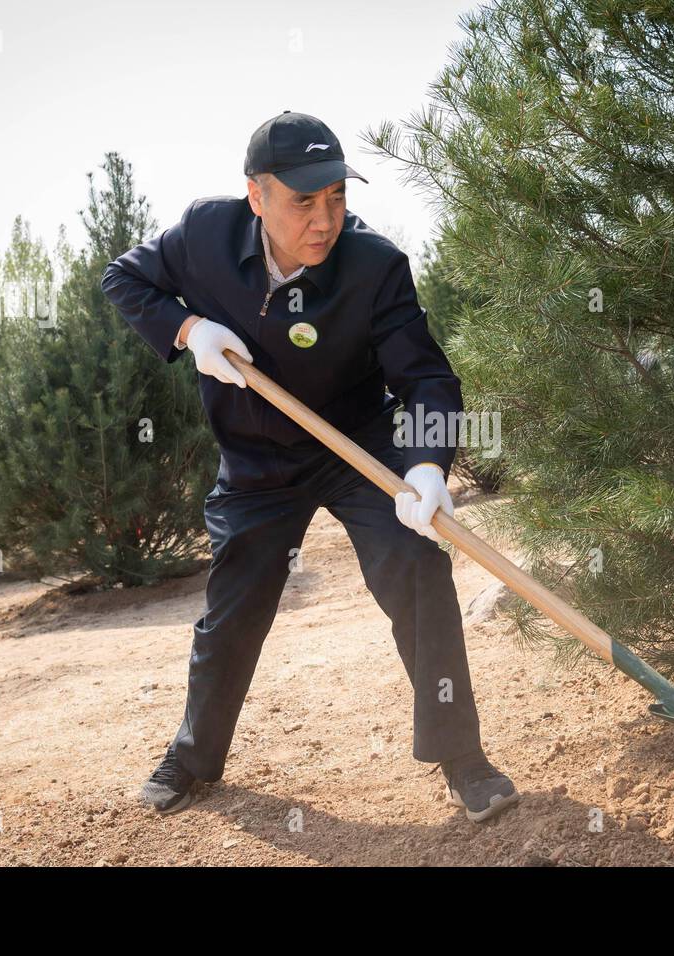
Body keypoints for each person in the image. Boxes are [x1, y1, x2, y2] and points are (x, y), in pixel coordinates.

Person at [100, 110, 519, 823]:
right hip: (257, 461)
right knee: (232, 612)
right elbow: (124, 279)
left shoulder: (374, 265)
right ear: (256, 196)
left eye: (336, 196)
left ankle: (463, 758)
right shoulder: (203, 234)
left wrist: (424, 468)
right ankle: (194, 758)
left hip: (360, 446)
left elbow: (428, 381)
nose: (324, 219)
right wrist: (189, 329)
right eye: (303, 200)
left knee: (417, 568)